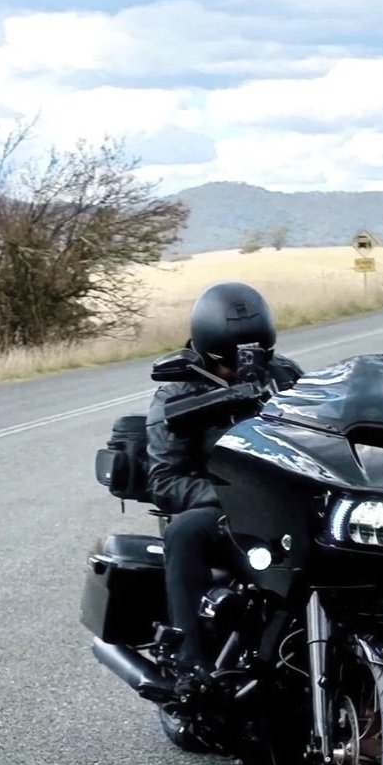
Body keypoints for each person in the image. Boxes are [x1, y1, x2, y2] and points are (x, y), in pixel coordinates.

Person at [145, 281, 302, 699]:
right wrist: (228, 497)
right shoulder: (177, 392)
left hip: (287, 505)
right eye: (230, 363)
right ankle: (190, 665)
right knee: (185, 532)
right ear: (206, 351)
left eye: (254, 358)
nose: (243, 369)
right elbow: (164, 481)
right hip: (223, 510)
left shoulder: (284, 374)